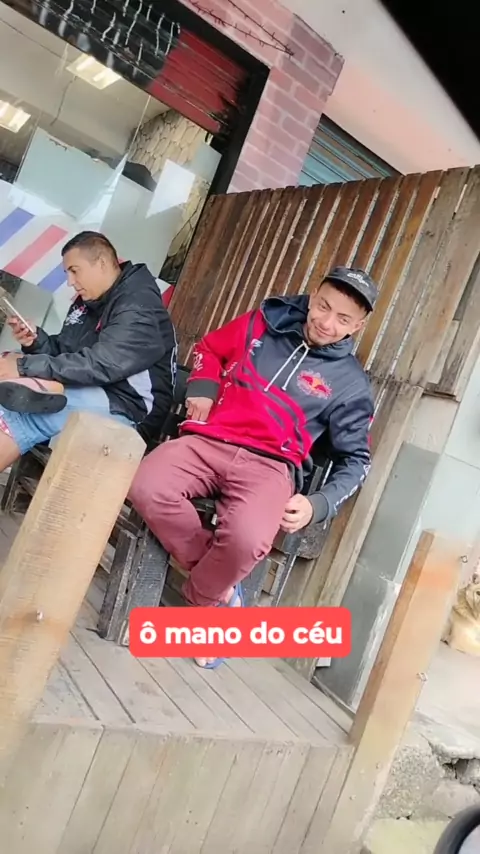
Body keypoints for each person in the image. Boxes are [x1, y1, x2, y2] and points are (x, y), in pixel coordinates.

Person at [129, 266, 377, 668]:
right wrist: (203, 389)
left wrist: (318, 504)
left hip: (270, 467)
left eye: (343, 319)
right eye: (323, 306)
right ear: (313, 294)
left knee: (247, 540)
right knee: (145, 483)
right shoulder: (265, 321)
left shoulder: (351, 384)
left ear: (358, 326)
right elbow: (210, 348)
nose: (327, 322)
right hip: (209, 440)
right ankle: (218, 595)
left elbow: (357, 460)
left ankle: (203, 598)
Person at [0, 231, 176, 469]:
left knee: (22, 410)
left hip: (129, 408)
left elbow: (103, 364)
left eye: (75, 271)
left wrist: (23, 367)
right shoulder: (89, 301)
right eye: (67, 273)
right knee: (11, 379)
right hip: (90, 390)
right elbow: (66, 354)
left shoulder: (138, 305)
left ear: (101, 263)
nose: (70, 281)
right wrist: (35, 342)